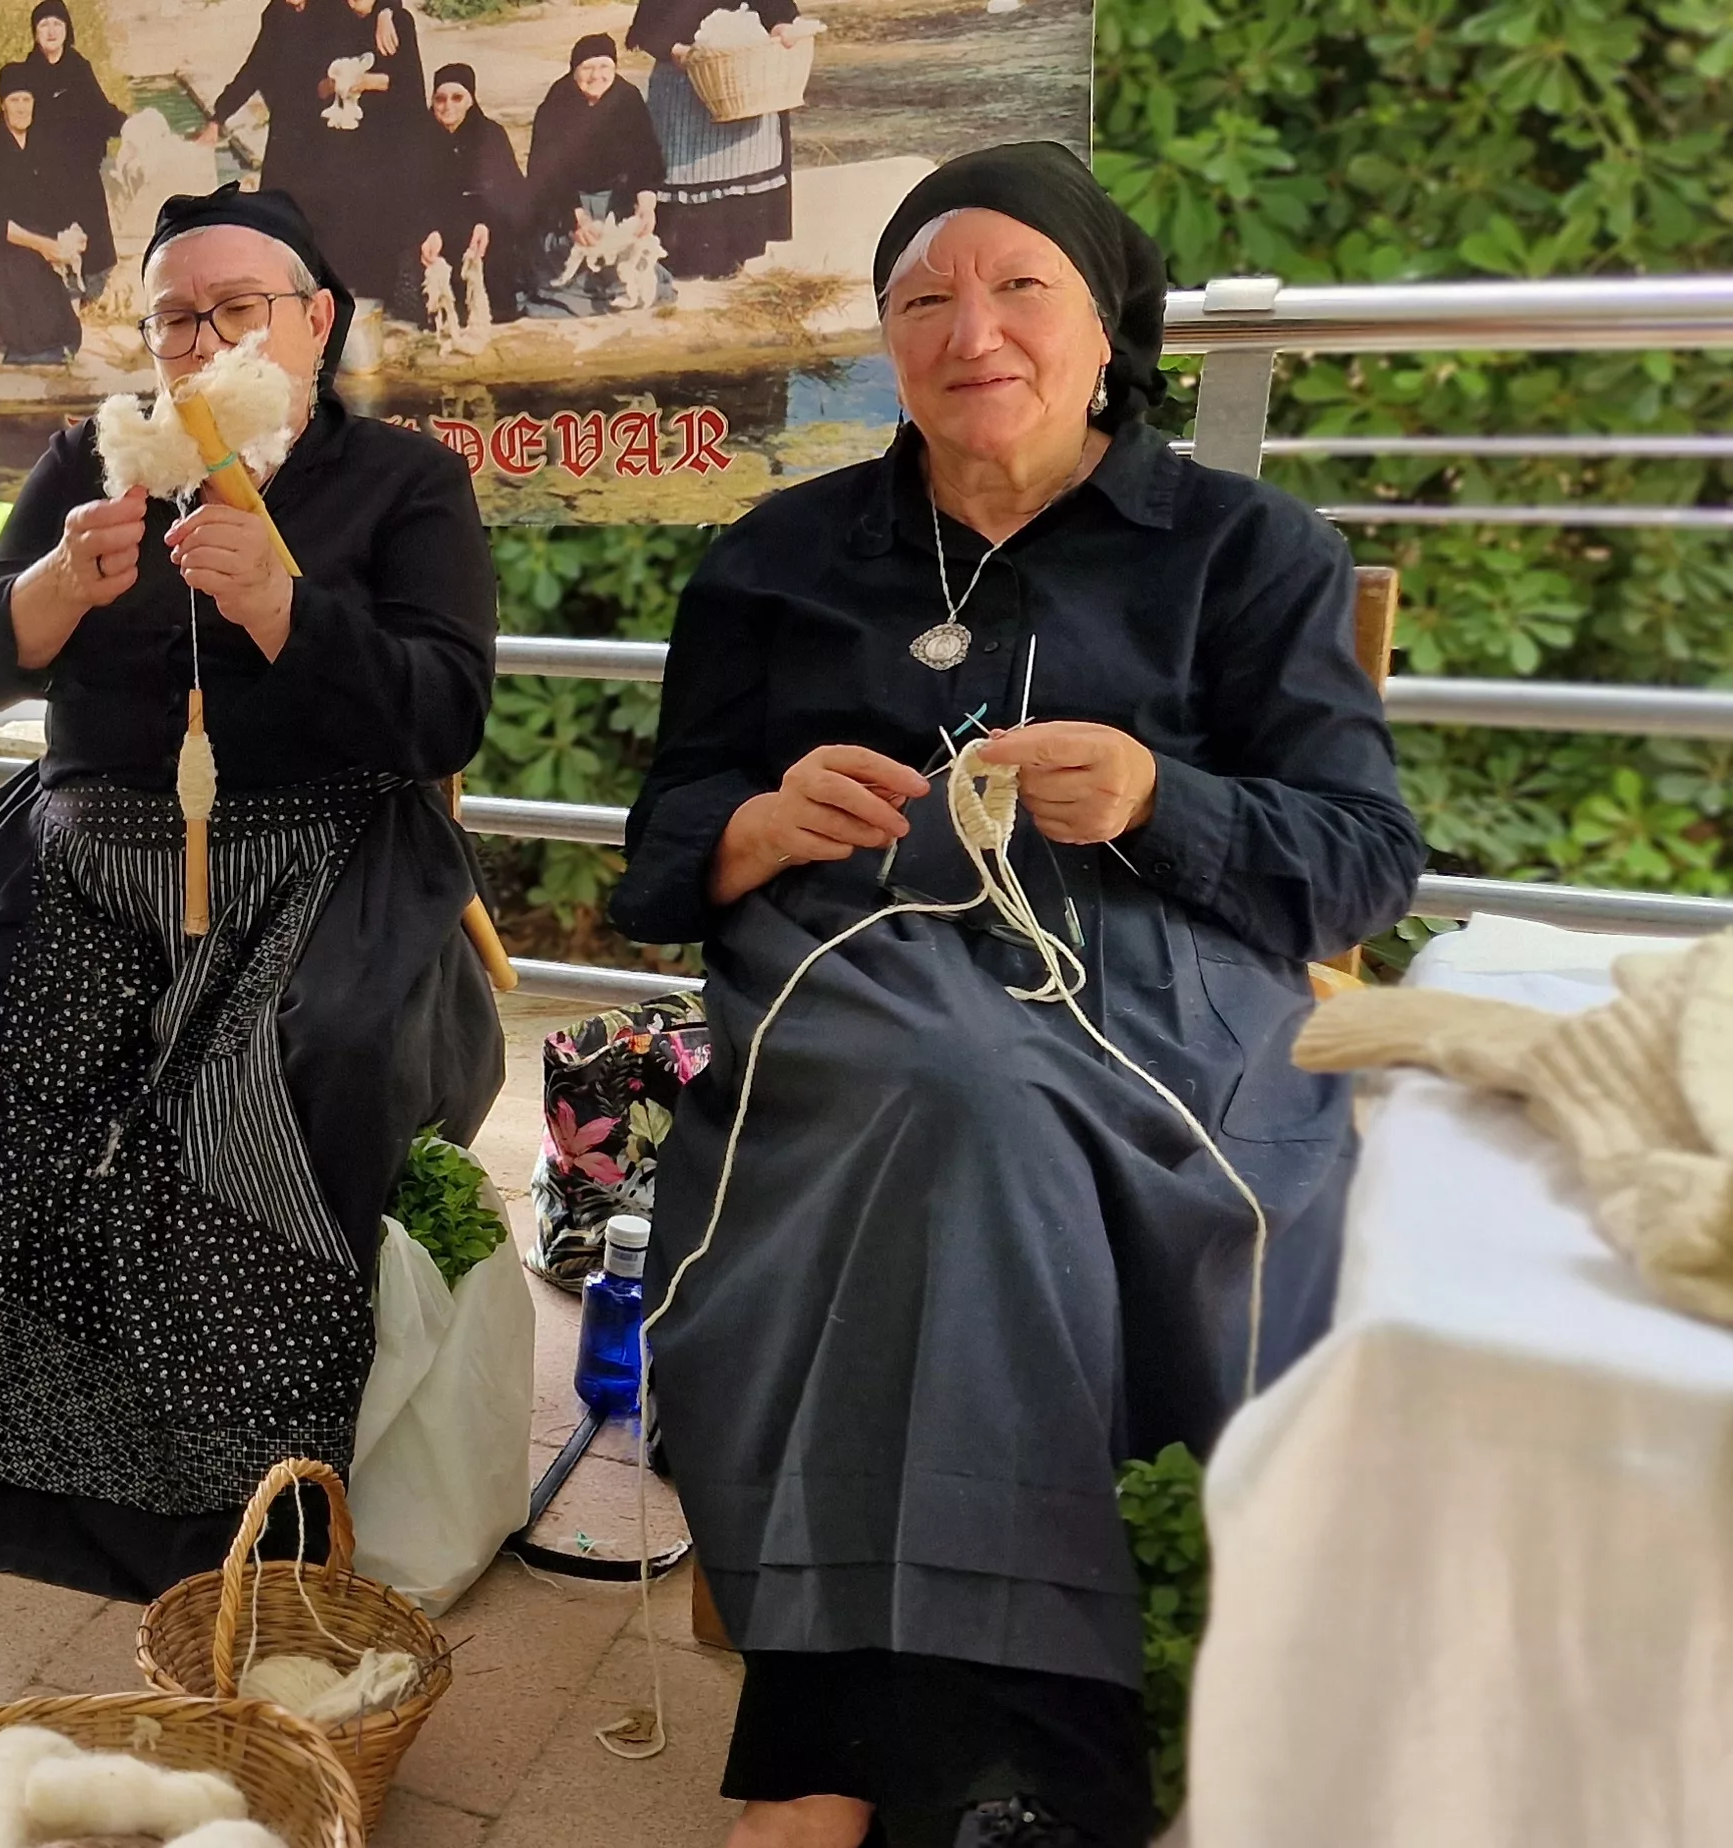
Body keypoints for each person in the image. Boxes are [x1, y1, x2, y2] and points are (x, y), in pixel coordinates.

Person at [612, 145, 1423, 1847]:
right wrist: (760, 824)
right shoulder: (779, 555)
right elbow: (666, 839)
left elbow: (1361, 865)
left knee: (976, 1123)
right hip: (857, 990)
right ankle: (1024, 1779)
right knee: (954, 1097)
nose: (970, 330)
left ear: (1107, 326)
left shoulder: (1245, 551)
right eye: (923, 298)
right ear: (887, 344)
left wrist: (1157, 795)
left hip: (1166, 1007)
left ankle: (823, 1755)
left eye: (1019, 287)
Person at [0, 186, 504, 1602]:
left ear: (316, 324)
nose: (203, 342)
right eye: (176, 318)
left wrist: (287, 608)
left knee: (293, 1051)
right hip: (92, 832)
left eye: (239, 310)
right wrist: (54, 588)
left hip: (322, 838)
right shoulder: (91, 459)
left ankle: (230, 1474)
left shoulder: (404, 482)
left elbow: (447, 712)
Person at [631, 0, 803, 278]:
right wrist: (675, 49)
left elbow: (777, 8)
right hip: (682, 78)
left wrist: (781, 28)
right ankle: (681, 258)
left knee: (741, 169)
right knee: (680, 167)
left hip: (743, 79)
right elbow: (647, 28)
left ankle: (733, 256)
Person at [518, 35, 670, 317]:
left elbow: (646, 156)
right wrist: (575, 218)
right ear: (574, 69)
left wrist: (646, 204)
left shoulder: (627, 97)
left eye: (605, 67)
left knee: (628, 271)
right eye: (587, 68)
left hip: (615, 202)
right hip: (567, 204)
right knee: (563, 277)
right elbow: (546, 172)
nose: (596, 76)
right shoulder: (557, 103)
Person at [311, 0, 434, 318]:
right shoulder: (332, 22)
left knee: (392, 212)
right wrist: (335, 84)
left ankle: (394, 293)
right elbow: (317, 87)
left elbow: (409, 83)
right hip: (350, 139)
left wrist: (366, 81)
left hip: (392, 137)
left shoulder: (396, 21)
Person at [0, 0, 125, 292]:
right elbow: (12, 117)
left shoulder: (79, 68)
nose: (51, 31)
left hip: (81, 168)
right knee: (52, 241)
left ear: (67, 29)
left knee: (93, 241)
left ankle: (92, 289)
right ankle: (59, 289)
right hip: (43, 169)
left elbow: (101, 110)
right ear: (35, 33)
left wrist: (131, 126)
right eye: (44, 25)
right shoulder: (26, 73)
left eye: (57, 24)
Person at [0, 74, 93, 366]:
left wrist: (73, 230)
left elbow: (54, 199)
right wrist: (44, 246)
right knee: (32, 336)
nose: (22, 107)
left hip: (33, 236)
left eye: (27, 99)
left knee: (66, 334)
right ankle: (19, 341)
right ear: (2, 105)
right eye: (15, 100)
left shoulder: (38, 142)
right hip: (0, 244)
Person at [196, 0, 363, 207]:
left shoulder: (334, 10)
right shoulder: (277, 12)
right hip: (286, 125)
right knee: (272, 204)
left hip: (327, 128)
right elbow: (255, 68)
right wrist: (218, 118)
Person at [409, 64, 529, 328]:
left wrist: (486, 223)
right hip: (438, 226)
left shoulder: (490, 135)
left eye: (457, 98)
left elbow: (509, 193)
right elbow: (414, 194)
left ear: (471, 100)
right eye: (440, 99)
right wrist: (429, 230)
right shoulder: (419, 139)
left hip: (485, 225)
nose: (447, 106)